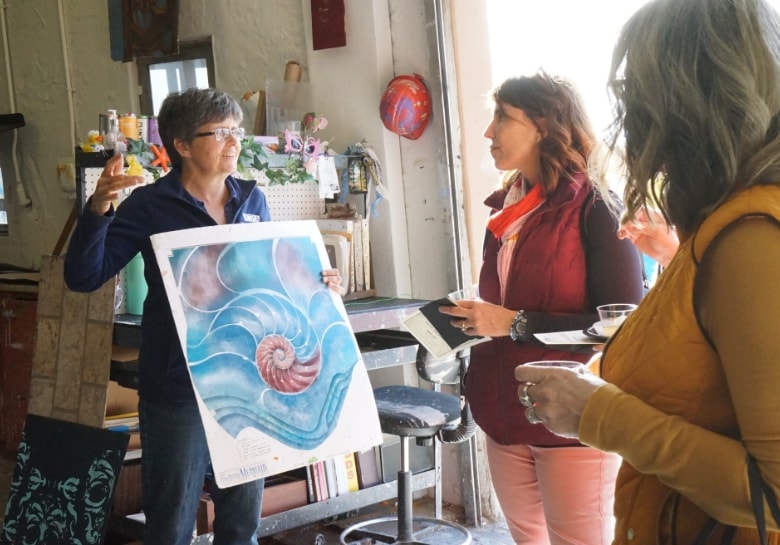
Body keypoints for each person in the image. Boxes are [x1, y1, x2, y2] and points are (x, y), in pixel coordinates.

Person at [515, 0, 780, 543]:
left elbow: (773, 496)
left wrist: (598, 412)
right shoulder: (723, 224)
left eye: (637, 92)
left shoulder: (749, 234)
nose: (630, 120)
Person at [64, 88, 342, 545]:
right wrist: (97, 211)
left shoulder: (252, 201)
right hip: (177, 384)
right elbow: (83, 276)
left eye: (237, 132)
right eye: (221, 133)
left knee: (241, 523)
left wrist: (320, 281)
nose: (234, 142)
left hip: (249, 382)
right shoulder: (149, 206)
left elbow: (271, 277)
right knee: (172, 525)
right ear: (182, 145)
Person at [440, 71, 645, 544]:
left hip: (572, 417)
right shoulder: (507, 209)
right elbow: (505, 308)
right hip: (503, 411)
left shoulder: (598, 206)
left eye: (501, 117)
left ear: (543, 126)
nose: (488, 131)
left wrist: (512, 323)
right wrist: (476, 318)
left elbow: (621, 327)